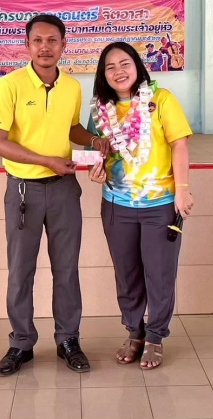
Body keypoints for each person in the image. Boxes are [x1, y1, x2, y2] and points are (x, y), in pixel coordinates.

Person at [0, 14, 110, 377]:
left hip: (63, 191)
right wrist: (46, 161)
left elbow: (72, 128)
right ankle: (21, 343)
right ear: (27, 45)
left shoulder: (72, 87)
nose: (45, 47)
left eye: (52, 40)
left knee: (67, 270)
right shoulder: (9, 85)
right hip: (23, 191)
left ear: (63, 45)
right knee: (20, 271)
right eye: (38, 40)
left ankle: (68, 340)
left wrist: (95, 141)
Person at [86, 42, 194, 370]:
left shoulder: (161, 100)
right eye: (110, 67)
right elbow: (96, 151)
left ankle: (156, 337)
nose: (119, 71)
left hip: (160, 204)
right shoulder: (99, 110)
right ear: (103, 75)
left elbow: (179, 144)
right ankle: (135, 332)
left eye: (125, 63)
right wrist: (95, 169)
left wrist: (182, 190)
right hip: (116, 205)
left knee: (159, 274)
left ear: (137, 66)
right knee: (127, 274)